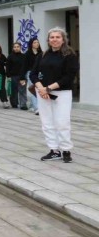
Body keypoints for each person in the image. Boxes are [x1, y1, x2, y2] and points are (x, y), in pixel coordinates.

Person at [31, 27, 79, 163]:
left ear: (63, 39)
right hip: (43, 93)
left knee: (62, 122)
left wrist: (48, 88)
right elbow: (33, 74)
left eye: (58, 37)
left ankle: (66, 150)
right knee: (47, 122)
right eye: (52, 37)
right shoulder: (42, 55)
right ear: (48, 40)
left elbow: (69, 76)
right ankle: (54, 150)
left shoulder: (69, 55)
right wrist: (41, 89)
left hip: (62, 93)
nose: (55, 39)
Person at [7, 42, 28, 110]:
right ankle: (14, 103)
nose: (16, 48)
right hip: (13, 76)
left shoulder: (24, 56)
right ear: (13, 48)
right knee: (14, 91)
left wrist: (23, 75)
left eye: (18, 47)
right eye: (15, 47)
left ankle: (23, 104)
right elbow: (8, 67)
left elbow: (25, 67)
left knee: (22, 91)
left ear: (20, 47)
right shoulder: (10, 56)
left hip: (22, 76)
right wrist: (8, 76)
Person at [25, 38, 43, 114]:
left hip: (40, 73)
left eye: (37, 42)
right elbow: (24, 66)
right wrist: (22, 77)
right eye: (35, 42)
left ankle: (33, 105)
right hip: (30, 73)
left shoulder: (41, 53)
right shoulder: (27, 54)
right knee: (33, 89)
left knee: (39, 89)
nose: (36, 44)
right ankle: (37, 108)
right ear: (31, 44)